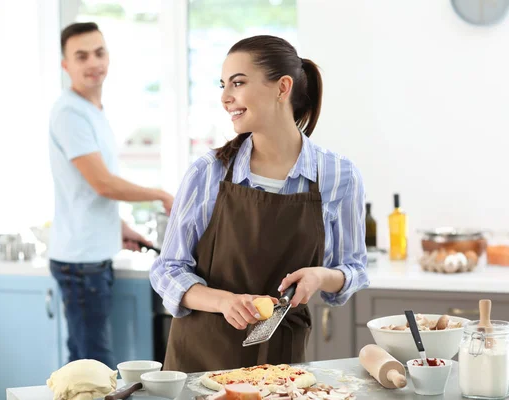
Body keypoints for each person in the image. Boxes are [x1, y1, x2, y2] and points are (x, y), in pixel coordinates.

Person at [150, 35, 369, 373]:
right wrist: (225, 301)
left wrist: (320, 277)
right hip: (199, 359)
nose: (225, 98)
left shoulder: (338, 175)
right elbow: (168, 270)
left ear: (282, 88)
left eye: (238, 83)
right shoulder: (209, 172)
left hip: (281, 363)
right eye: (223, 85)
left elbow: (354, 268)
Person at [48, 22, 174, 368]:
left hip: (89, 257)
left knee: (86, 362)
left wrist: (117, 226)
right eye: (81, 56)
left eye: (99, 52)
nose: (93, 63)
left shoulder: (93, 110)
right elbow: (102, 183)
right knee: (94, 365)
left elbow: (85, 190)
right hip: (80, 263)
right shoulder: (70, 112)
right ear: (66, 65)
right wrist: (159, 194)